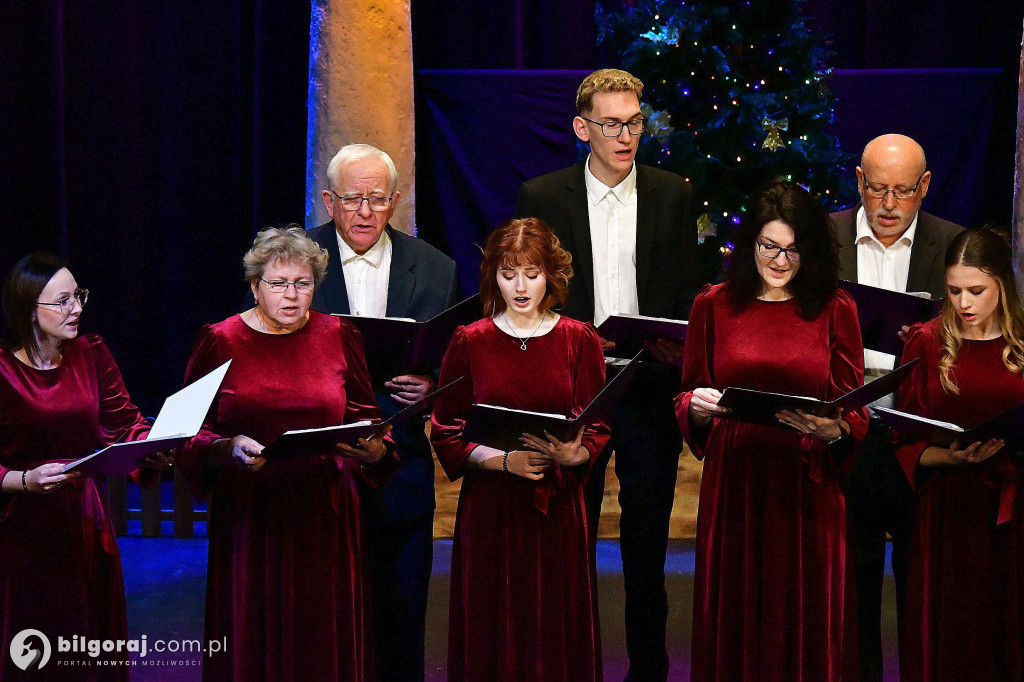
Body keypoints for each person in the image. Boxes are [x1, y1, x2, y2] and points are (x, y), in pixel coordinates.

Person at [514, 67, 700, 681]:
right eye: (610, 124)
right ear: (581, 128)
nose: (624, 136)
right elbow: (527, 291)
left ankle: (648, 668)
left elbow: (685, 291)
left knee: (647, 540)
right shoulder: (543, 196)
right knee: (571, 535)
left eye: (634, 123)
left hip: (648, 382)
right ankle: (570, 662)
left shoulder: (673, 193)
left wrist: (675, 342)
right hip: (576, 389)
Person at [177, 226, 396, 681]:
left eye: (303, 284)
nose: (292, 296)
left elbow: (367, 415)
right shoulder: (221, 340)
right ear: (255, 286)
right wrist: (225, 447)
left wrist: (374, 449)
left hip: (326, 510)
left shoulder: (339, 334)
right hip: (251, 511)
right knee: (252, 633)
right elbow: (185, 434)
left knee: (321, 635)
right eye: (278, 284)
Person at [675, 181, 867, 681]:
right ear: (751, 245)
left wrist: (835, 429)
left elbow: (854, 408)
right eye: (769, 247)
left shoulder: (835, 307)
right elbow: (689, 389)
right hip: (736, 476)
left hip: (806, 479)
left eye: (793, 249)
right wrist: (697, 408)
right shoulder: (713, 305)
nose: (781, 261)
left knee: (802, 606)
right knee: (736, 606)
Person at [430, 217, 611, 682]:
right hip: (491, 509)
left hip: (557, 509)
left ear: (550, 275)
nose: (520, 286)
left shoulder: (578, 339)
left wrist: (579, 454)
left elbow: (597, 427)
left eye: (531, 274)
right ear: (494, 277)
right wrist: (501, 461)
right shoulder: (471, 340)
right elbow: (447, 431)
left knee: (554, 625)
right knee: (491, 625)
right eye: (508, 275)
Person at [312, 143, 458, 682]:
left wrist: (433, 384)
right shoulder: (298, 264)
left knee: (401, 609)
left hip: (403, 466)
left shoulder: (436, 267)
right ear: (329, 201)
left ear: (395, 200)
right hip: (320, 466)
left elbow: (457, 360)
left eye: (378, 198)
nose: (366, 211)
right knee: (324, 609)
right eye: (353, 198)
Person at [831, 133, 964, 682]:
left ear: (925, 187)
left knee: (925, 585)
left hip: (921, 442)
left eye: (903, 191)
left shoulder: (953, 244)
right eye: (877, 189)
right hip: (849, 435)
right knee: (852, 589)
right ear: (859, 181)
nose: (888, 205)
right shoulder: (824, 237)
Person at [0, 253, 166, 679]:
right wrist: (21, 480)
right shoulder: (2, 369)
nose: (76, 308)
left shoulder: (90, 354)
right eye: (62, 301)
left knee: (87, 645)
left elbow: (125, 423)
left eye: (78, 296)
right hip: (18, 528)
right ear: (28, 310)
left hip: (83, 520)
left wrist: (157, 445)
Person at [892, 226, 1024, 681]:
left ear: (1002, 286)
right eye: (953, 291)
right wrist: (951, 458)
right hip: (947, 514)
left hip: (1014, 512)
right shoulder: (927, 341)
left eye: (976, 291)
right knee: (952, 633)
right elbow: (903, 441)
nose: (964, 303)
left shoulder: (1022, 344)